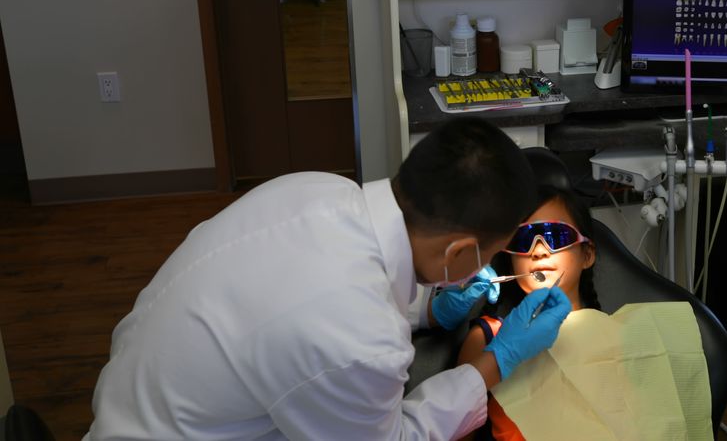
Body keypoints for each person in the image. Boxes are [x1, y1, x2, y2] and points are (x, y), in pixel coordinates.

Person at [84, 117, 572, 440]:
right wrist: (497, 360)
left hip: (138, 396)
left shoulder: (315, 188)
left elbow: (319, 292)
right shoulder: (362, 340)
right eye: (491, 252)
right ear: (460, 250)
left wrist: (427, 306)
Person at [457, 185, 599, 441]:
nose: (539, 249)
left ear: (587, 254)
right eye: (524, 239)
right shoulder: (489, 338)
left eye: (555, 236)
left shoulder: (611, 334)